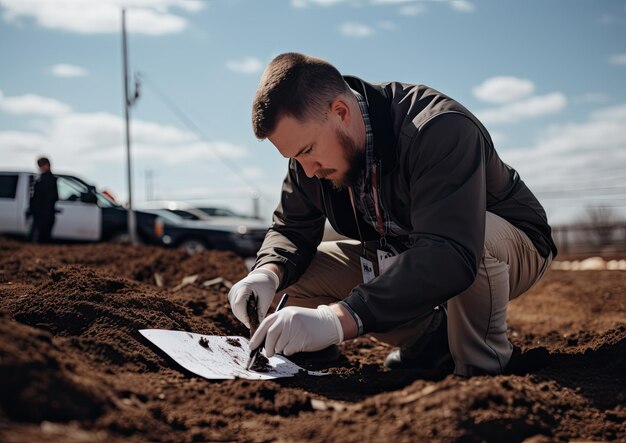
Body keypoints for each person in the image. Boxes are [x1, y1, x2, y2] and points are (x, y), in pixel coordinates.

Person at [228, 53, 557, 377]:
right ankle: (431, 343)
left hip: (502, 245)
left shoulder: (437, 128)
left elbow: (450, 251)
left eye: (307, 152)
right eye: (294, 158)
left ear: (340, 112)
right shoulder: (311, 155)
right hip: (407, 250)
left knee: (475, 239)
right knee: (298, 274)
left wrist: (338, 319)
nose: (308, 172)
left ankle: (480, 370)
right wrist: (268, 273)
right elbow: (292, 227)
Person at [28, 157, 58, 244]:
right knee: (43, 239)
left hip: (43, 214)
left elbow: (50, 197)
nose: (40, 168)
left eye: (41, 165)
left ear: (46, 166)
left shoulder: (45, 179)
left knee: (40, 239)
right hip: (44, 213)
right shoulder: (45, 179)